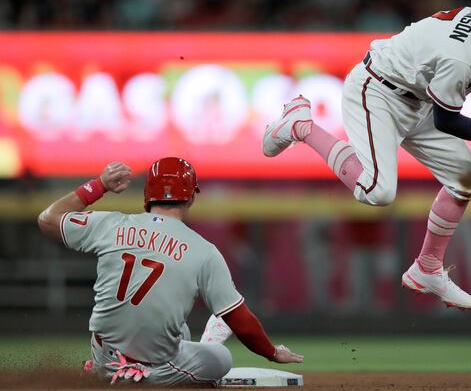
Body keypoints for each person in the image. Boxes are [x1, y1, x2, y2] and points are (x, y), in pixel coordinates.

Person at [261, 0, 471, 310]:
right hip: (378, 90)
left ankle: (427, 267)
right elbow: (447, 119)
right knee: (377, 191)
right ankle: (301, 126)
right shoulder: (462, 57)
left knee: (468, 177)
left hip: (418, 99)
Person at [38, 157, 303, 386]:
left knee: (182, 332)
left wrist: (100, 185)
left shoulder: (112, 223)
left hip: (103, 356)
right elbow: (239, 319)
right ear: (191, 197)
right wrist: (271, 353)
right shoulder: (204, 250)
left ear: (147, 195)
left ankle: (103, 370)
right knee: (221, 358)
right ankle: (204, 345)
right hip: (155, 369)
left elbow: (47, 219)